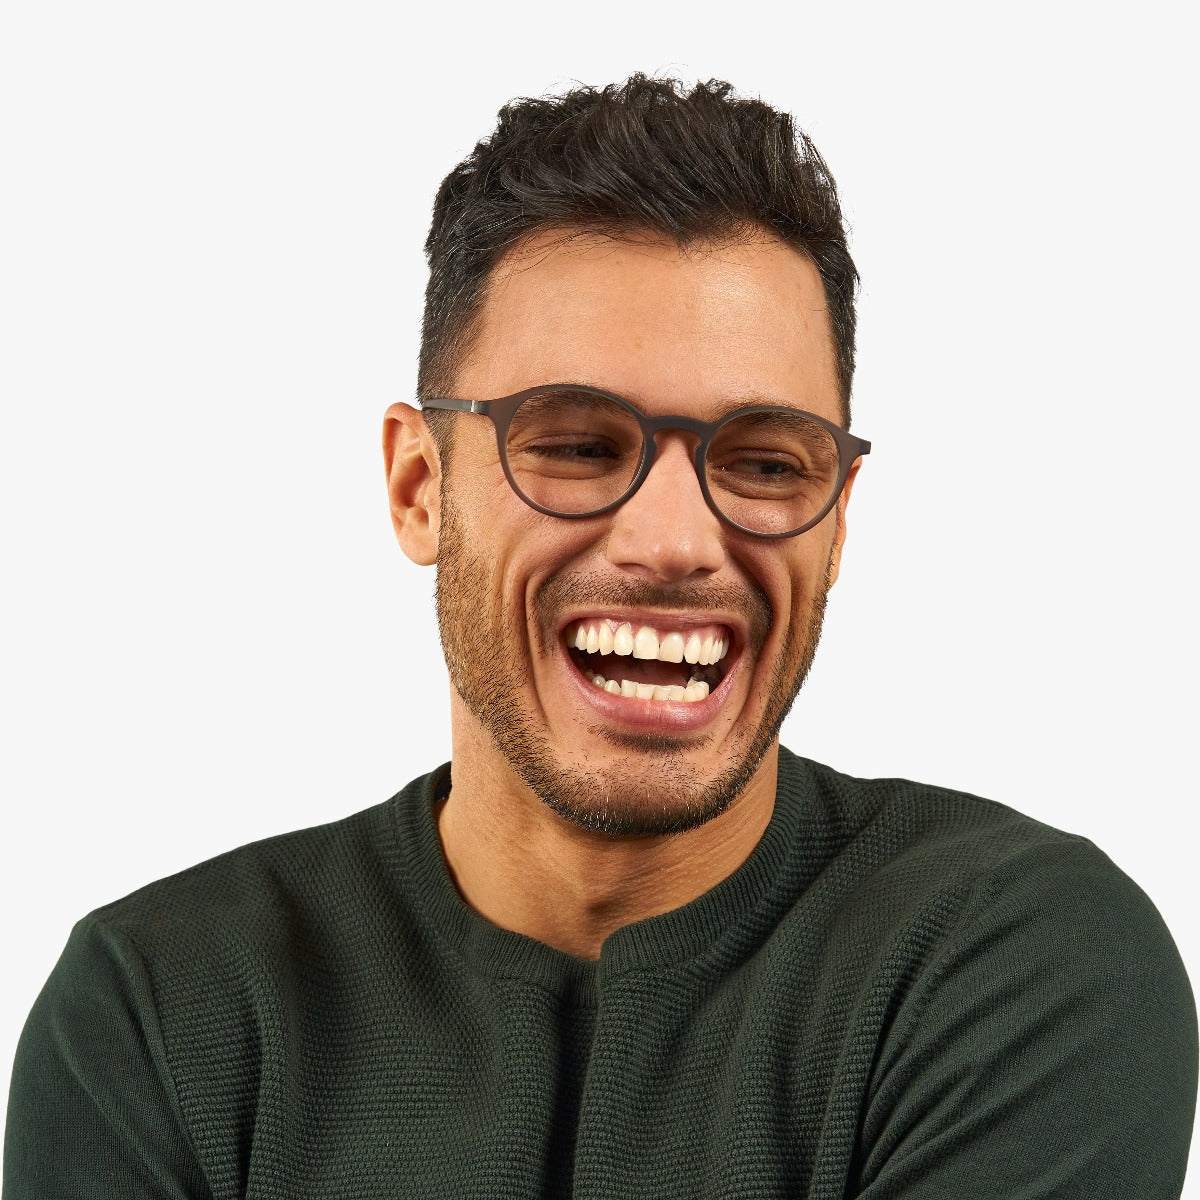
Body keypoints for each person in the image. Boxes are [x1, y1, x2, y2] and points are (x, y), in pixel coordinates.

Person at [4, 75, 1196, 1199]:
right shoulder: (158, 1009)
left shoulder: (1021, 958)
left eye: (766, 463)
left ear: (837, 525)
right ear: (420, 488)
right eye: (575, 445)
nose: (674, 542)